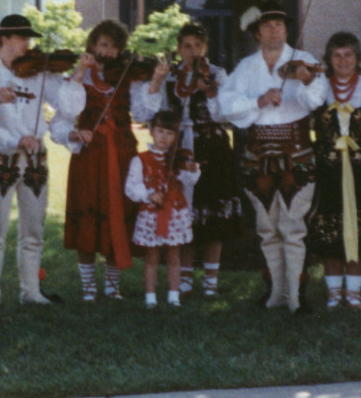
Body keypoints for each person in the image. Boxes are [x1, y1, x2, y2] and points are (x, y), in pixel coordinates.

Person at [0, 14, 90, 309]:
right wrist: (15, 140)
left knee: (33, 229)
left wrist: (80, 72)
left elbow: (67, 105)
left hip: (35, 160)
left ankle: (31, 291)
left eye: (28, 39)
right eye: (21, 38)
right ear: (5, 39)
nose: (27, 45)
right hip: (2, 159)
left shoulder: (40, 73)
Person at [218, 3, 327, 313]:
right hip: (258, 156)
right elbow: (227, 103)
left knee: (294, 227)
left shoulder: (303, 61)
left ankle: (296, 296)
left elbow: (315, 99)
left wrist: (306, 80)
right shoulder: (246, 67)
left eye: (280, 25)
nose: (275, 30)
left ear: (287, 30)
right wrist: (259, 100)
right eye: (268, 26)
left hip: (297, 153)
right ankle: (276, 294)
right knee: (267, 228)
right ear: (257, 32)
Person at [134, 22, 241, 299]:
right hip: (179, 147)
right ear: (179, 49)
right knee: (184, 213)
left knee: (213, 216)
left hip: (213, 147)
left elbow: (226, 114)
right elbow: (146, 113)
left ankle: (211, 280)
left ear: (205, 48)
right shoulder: (170, 76)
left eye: (198, 45)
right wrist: (157, 81)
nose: (193, 51)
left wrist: (211, 92)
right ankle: (183, 277)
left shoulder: (217, 74)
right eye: (187, 46)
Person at [62, 19, 159, 301]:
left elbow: (142, 114)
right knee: (88, 212)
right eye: (104, 44)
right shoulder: (81, 75)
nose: (110, 52)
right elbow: (68, 109)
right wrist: (81, 71)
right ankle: (89, 286)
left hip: (123, 152)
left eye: (115, 47)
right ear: (92, 45)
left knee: (121, 212)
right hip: (90, 155)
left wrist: (155, 82)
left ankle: (113, 285)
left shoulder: (128, 77)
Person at [304, 32, 361, 309]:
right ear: (329, 59)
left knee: (360, 228)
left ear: (358, 57)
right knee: (330, 228)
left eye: (349, 54)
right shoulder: (319, 88)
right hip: (327, 170)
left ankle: (353, 292)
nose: (343, 60)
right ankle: (334, 293)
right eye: (337, 55)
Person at [125, 110, 201, 308]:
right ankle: (150, 297)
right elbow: (132, 186)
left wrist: (192, 170)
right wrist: (148, 194)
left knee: (174, 255)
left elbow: (189, 181)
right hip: (152, 213)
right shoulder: (140, 159)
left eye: (169, 133)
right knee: (152, 256)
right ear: (151, 131)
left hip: (175, 212)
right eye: (160, 131)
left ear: (176, 136)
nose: (164, 137)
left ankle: (173, 296)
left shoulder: (179, 158)